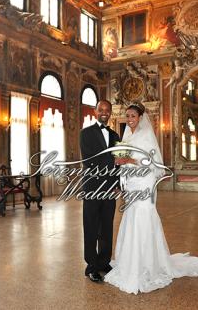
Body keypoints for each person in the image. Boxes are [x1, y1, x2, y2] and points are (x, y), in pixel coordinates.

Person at [104, 103, 198, 294]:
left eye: (133, 116)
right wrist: (120, 161)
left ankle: (148, 264)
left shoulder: (146, 136)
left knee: (143, 215)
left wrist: (130, 160)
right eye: (127, 116)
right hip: (133, 182)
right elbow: (122, 159)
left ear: (140, 118)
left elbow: (154, 163)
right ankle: (130, 260)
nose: (129, 119)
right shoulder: (126, 136)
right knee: (131, 216)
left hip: (144, 181)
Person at [79, 99, 121, 283]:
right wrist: (113, 162)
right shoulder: (85, 133)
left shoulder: (115, 135)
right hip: (92, 187)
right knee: (91, 226)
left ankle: (104, 262)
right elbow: (89, 160)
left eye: (107, 110)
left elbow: (119, 163)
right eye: (101, 109)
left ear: (111, 112)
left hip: (110, 189)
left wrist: (117, 183)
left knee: (106, 226)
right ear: (95, 111)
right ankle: (91, 266)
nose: (104, 112)